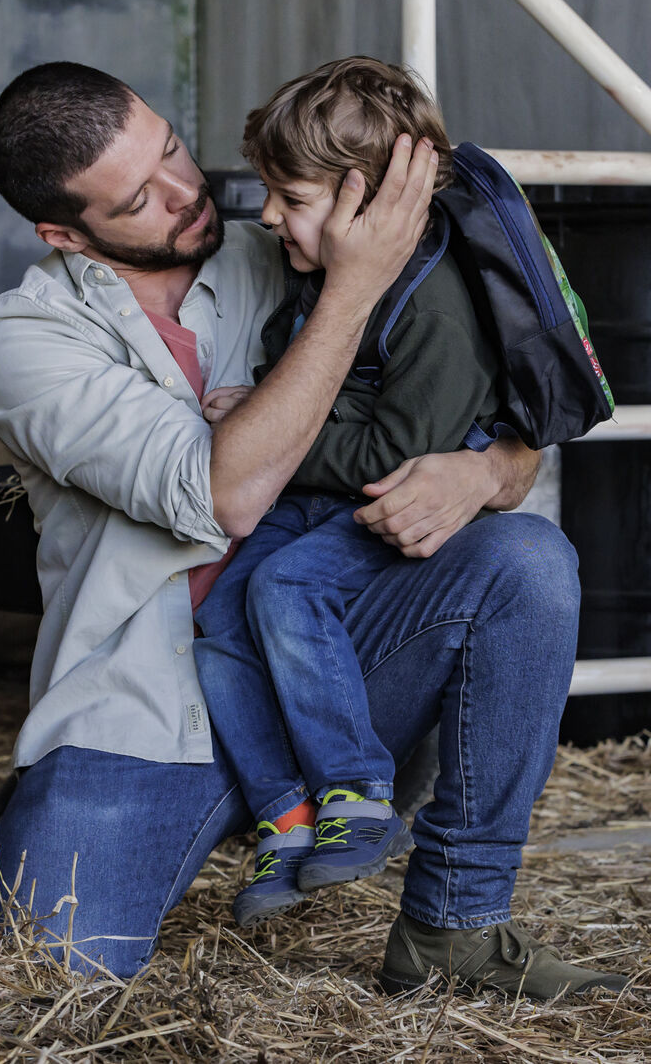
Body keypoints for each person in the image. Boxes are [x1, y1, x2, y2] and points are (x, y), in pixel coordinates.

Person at [0, 60, 626, 999]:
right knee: (41, 972)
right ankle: (271, 816)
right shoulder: (24, 341)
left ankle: (457, 923)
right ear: (65, 234)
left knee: (524, 561)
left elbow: (508, 446)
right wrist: (357, 286)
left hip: (334, 656)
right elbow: (225, 493)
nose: (186, 194)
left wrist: (481, 469)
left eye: (172, 152)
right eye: (139, 199)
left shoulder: (280, 245)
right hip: (149, 708)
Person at [191, 57, 503, 930]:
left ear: (364, 201)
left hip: (373, 510)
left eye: (290, 196)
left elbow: (397, 455)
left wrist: (264, 424)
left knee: (287, 588)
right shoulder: (311, 276)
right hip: (314, 499)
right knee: (217, 620)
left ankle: (360, 797)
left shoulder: (437, 307)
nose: (268, 215)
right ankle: (285, 817)